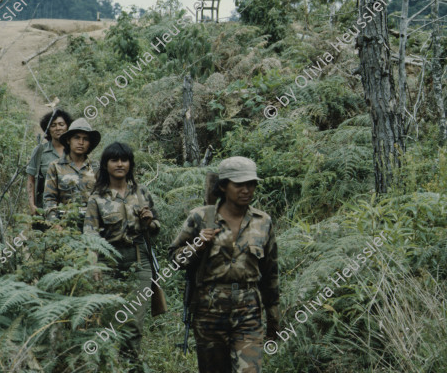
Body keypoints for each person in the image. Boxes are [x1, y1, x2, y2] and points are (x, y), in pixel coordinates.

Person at [168, 156, 279, 373]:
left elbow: (270, 272)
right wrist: (197, 245)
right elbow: (174, 260)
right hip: (209, 310)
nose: (246, 190)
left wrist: (274, 315)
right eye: (239, 184)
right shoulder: (200, 217)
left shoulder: (263, 221)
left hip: (248, 310)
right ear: (223, 186)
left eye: (251, 184)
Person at [83, 142, 160, 372]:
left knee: (134, 323)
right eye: (114, 160)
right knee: (108, 321)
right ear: (106, 165)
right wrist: (93, 264)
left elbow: (156, 228)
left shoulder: (142, 192)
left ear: (130, 164)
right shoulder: (96, 199)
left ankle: (131, 368)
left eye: (124, 160)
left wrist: (149, 222)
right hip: (109, 262)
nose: (119, 164)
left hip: (139, 259)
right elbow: (90, 235)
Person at [43, 117, 101, 222]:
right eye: (76, 137)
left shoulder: (97, 167)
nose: (81, 142)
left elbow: (105, 198)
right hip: (64, 224)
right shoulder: (55, 167)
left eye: (85, 139)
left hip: (92, 225)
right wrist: (55, 225)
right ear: (68, 140)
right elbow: (49, 200)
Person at [26, 109, 72, 218]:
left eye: (61, 124)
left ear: (67, 127)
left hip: (72, 208)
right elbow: (31, 179)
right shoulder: (40, 151)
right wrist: (32, 205)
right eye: (53, 125)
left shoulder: (75, 151)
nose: (58, 128)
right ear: (48, 129)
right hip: (45, 209)